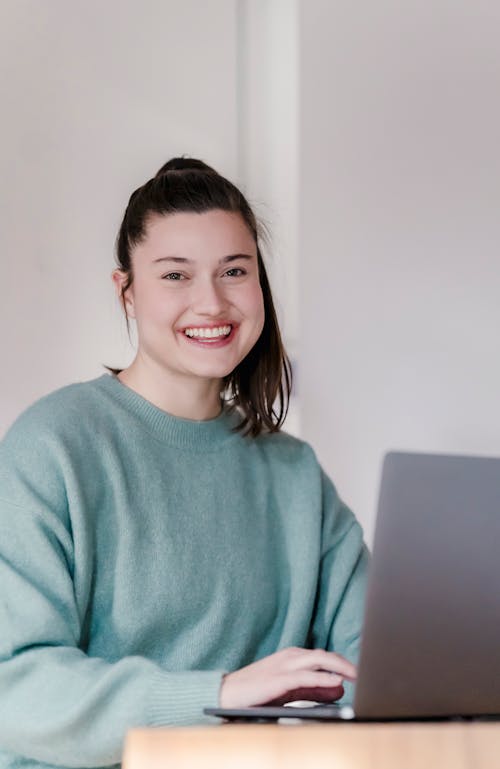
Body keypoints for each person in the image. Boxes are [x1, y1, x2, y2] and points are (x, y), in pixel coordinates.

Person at [0, 157, 369, 769]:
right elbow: (17, 690)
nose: (212, 302)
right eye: (176, 275)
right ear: (126, 290)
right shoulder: (52, 447)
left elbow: (376, 664)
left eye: (235, 271)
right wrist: (220, 696)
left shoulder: (296, 475)